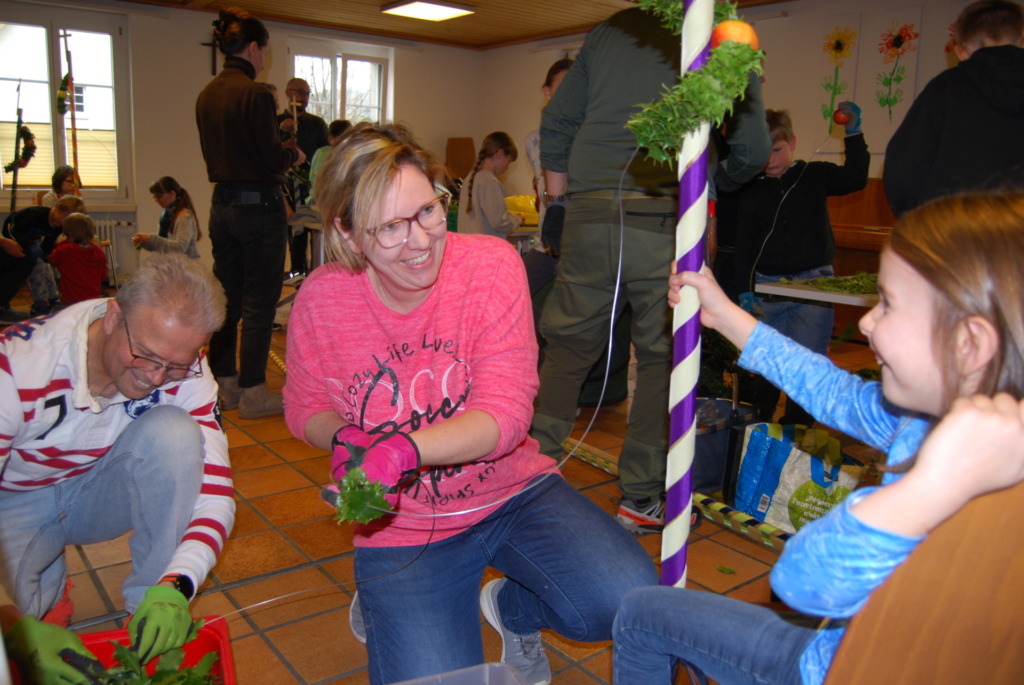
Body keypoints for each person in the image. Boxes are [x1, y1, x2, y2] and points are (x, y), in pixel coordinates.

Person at [282, 123, 658, 685]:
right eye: (389, 228)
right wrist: (343, 437)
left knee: (627, 600)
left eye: (428, 211)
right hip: (403, 527)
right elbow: (304, 405)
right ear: (349, 233)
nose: (420, 240)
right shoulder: (321, 298)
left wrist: (402, 450)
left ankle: (513, 608)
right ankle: (385, 596)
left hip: (512, 493)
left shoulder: (490, 265)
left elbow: (506, 418)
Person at [616, 191, 1024, 685]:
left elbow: (801, 584)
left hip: (826, 667)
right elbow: (836, 393)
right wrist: (726, 316)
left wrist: (929, 487)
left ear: (970, 343)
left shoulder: (961, 477)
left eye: (888, 305)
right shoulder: (927, 415)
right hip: (834, 644)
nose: (868, 321)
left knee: (642, 617)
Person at [0, 255, 234, 683]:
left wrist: (176, 585)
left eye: (176, 364)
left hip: (96, 488)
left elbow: (216, 493)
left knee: (176, 434)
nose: (155, 377)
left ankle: (145, 609)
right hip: (15, 499)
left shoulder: (187, 369)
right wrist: (11, 623)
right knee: (12, 635)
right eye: (145, 355)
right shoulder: (16, 366)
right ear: (112, 316)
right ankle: (45, 589)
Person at [532, 5, 681, 535]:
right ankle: (641, 497)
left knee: (568, 349)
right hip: (667, 215)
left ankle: (529, 480)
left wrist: (556, 203)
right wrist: (725, 177)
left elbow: (557, 118)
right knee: (662, 359)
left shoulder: (609, 31)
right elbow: (752, 147)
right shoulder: (724, 33)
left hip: (592, 210)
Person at [195, 6, 306, 419]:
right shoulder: (256, 93)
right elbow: (269, 159)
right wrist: (291, 152)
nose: (264, 59)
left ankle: (224, 383)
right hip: (258, 208)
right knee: (260, 303)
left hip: (221, 205)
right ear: (255, 47)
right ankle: (255, 393)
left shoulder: (207, 94)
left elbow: (231, 149)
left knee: (227, 298)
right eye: (265, 51)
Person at [734, 104, 868, 426]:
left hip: (814, 287)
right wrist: (744, 289)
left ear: (792, 143)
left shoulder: (815, 175)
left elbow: (855, 177)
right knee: (765, 366)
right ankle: (756, 429)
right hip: (767, 288)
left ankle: (798, 434)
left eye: (777, 150)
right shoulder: (749, 190)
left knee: (807, 367)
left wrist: (854, 134)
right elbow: (744, 246)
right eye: (763, 152)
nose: (770, 159)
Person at [884, 0, 1024, 217]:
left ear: (960, 51)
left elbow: (903, 170)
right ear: (1022, 41)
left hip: (953, 230)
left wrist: (919, 220)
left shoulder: (945, 88)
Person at [2, 195, 87, 319]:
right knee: (38, 264)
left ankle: (53, 298)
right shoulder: (36, 214)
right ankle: (39, 302)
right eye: (65, 217)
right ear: (56, 208)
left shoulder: (57, 226)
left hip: (30, 244)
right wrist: (29, 246)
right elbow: (13, 231)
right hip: (13, 238)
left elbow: (47, 245)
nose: (64, 223)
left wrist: (49, 256)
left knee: (45, 264)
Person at [279, 77, 330, 277]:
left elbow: (325, 154)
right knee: (294, 237)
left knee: (316, 236)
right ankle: (297, 275)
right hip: (288, 190)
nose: (304, 97)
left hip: (313, 191)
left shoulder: (316, 124)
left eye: (307, 93)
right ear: (288, 93)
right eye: (300, 92)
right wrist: (284, 133)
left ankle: (317, 278)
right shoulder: (276, 121)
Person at [456, 131, 524, 237]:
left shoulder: (471, 177)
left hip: (469, 246)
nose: (507, 167)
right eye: (508, 161)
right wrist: (517, 219)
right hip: (485, 248)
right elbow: (499, 222)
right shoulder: (490, 181)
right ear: (499, 153)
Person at [132, 176, 201, 259]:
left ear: (172, 194)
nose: (156, 200)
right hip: (172, 265)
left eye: (159, 196)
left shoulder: (185, 217)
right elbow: (163, 247)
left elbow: (180, 248)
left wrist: (151, 239)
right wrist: (145, 242)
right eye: (154, 197)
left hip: (186, 267)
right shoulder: (165, 215)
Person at [49, 212, 107, 305]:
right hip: (93, 299)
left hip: (71, 299)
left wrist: (63, 242)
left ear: (68, 234)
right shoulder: (98, 251)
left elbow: (53, 259)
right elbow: (103, 275)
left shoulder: (65, 249)